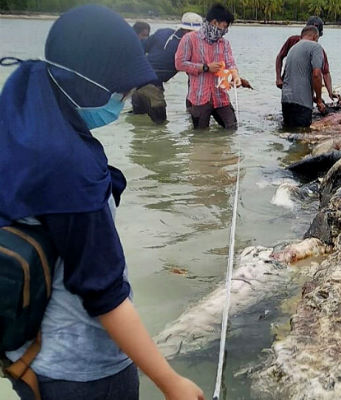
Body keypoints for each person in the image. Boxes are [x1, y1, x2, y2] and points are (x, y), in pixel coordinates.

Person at [0, 5, 204, 400]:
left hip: (24, 357)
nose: (125, 100)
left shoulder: (22, 110)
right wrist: (170, 381)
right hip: (81, 376)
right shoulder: (68, 167)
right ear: (87, 80)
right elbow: (103, 293)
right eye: (121, 90)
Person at [175, 4, 242, 130]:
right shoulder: (190, 39)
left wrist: (236, 76)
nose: (225, 31)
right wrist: (205, 67)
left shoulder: (224, 43)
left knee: (232, 127)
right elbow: (179, 64)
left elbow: (231, 64)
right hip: (199, 97)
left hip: (220, 96)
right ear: (214, 22)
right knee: (200, 136)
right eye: (224, 26)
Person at [131, 12, 204, 124]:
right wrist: (191, 108)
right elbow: (194, 78)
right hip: (153, 89)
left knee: (138, 125)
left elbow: (139, 49)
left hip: (135, 85)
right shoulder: (188, 46)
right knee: (161, 125)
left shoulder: (162, 32)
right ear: (187, 31)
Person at [275, 16, 341, 105]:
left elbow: (325, 73)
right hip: (289, 86)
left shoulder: (319, 50)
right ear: (315, 35)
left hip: (301, 91)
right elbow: (280, 57)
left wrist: (329, 92)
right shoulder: (292, 40)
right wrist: (278, 78)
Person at [281, 25, 326, 128]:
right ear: (315, 37)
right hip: (302, 104)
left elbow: (289, 77)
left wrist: (313, 97)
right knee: (302, 139)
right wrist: (319, 100)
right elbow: (316, 74)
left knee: (290, 135)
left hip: (286, 101)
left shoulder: (293, 48)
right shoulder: (316, 47)